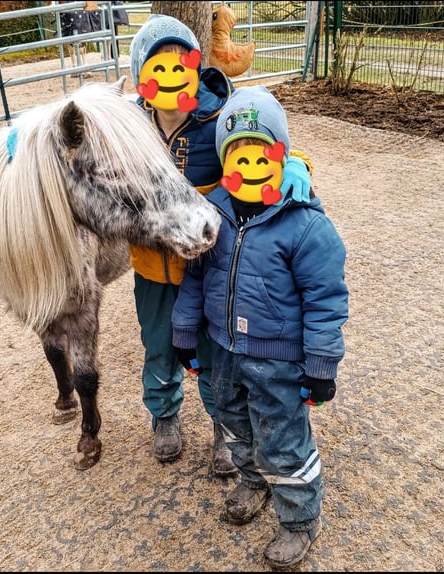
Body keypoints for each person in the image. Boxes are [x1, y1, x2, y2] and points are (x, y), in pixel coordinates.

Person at [128, 15, 314, 476]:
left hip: (211, 269)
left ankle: (222, 429)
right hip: (153, 268)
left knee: (215, 356)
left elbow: (259, 144)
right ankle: (164, 415)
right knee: (159, 346)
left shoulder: (217, 117)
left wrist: (295, 169)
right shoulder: (128, 125)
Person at [171, 85, 348, 569]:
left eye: (260, 156)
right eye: (237, 157)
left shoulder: (306, 225)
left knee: (282, 437)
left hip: (277, 358)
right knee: (231, 420)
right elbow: (195, 277)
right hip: (222, 348)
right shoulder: (215, 215)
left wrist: (320, 364)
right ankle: (253, 480)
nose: (248, 168)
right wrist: (185, 334)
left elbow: (326, 300)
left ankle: (298, 518)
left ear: (281, 154)